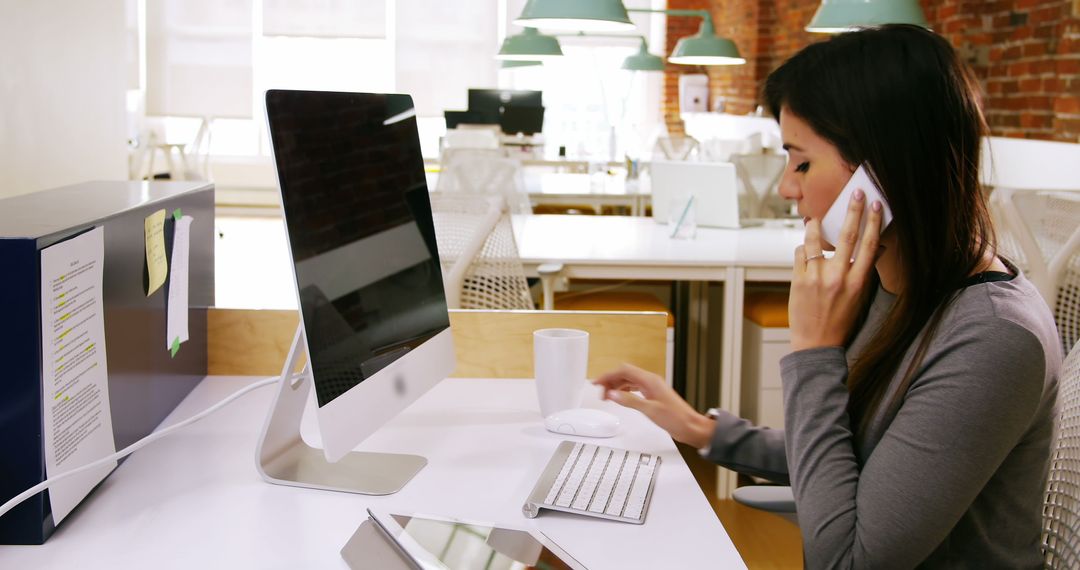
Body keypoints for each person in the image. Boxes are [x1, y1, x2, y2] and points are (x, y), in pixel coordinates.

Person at [594, 24, 1061, 568]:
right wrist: (699, 427)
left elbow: (844, 560)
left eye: (801, 161)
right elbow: (854, 455)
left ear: (881, 171)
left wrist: (813, 351)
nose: (787, 186)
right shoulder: (897, 287)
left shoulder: (993, 338)